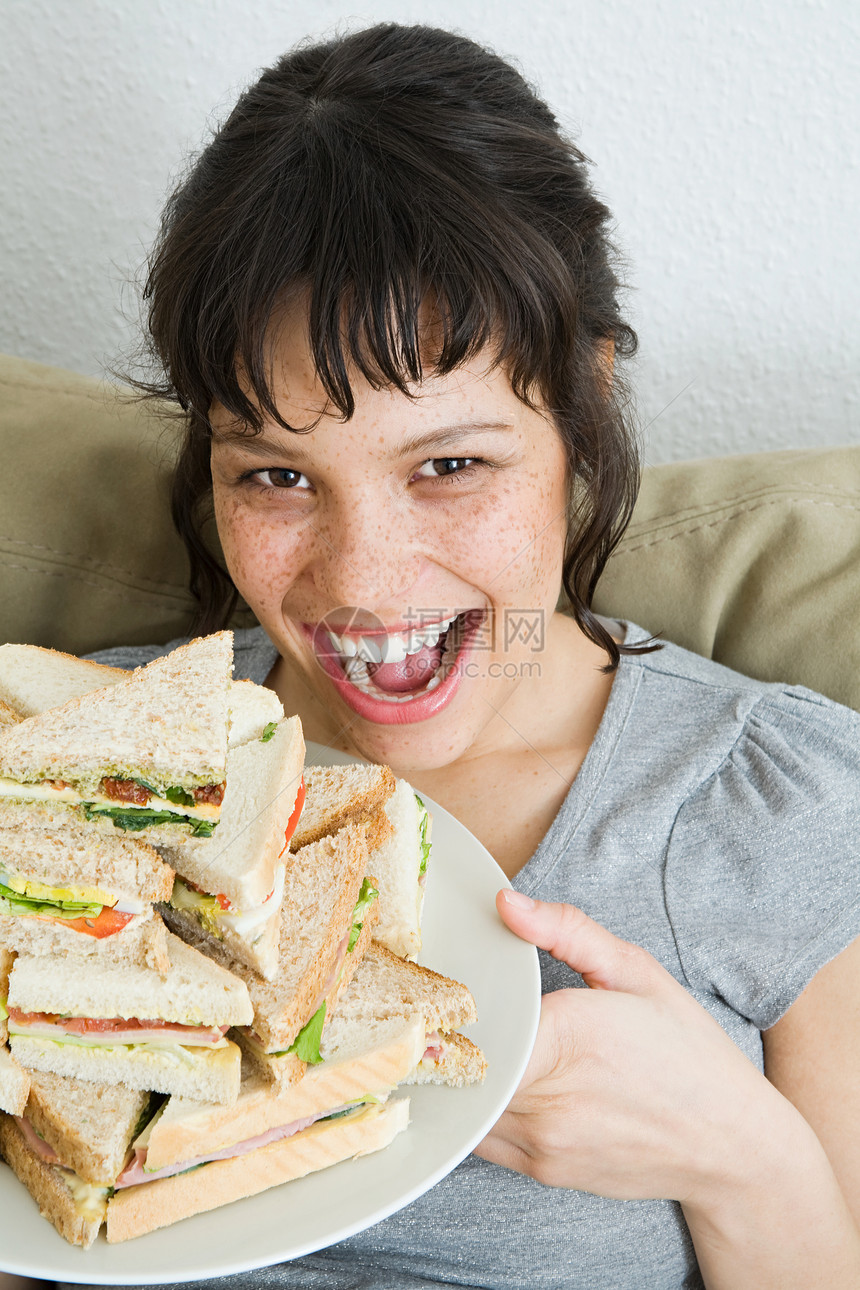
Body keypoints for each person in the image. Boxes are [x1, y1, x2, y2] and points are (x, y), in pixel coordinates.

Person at [52, 21, 860, 1289]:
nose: (361, 584)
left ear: (584, 406)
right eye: (276, 474)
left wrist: (735, 1157)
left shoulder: (778, 809)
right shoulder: (75, 766)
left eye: (448, 465)